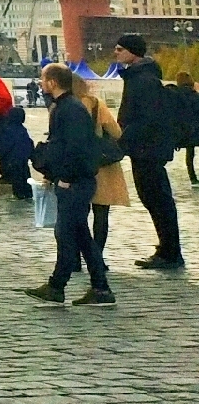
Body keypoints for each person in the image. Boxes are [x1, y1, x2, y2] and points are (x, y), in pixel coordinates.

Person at [22, 64, 113, 306]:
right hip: (75, 180)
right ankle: (100, 288)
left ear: (53, 82)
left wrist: (66, 177)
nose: (41, 83)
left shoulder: (69, 109)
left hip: (75, 182)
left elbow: (74, 147)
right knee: (81, 236)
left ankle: (57, 286)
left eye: (43, 79)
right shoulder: (67, 106)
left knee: (65, 234)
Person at [111, 33, 184, 270]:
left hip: (148, 149)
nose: (116, 52)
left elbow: (146, 119)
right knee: (154, 199)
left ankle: (170, 253)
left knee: (157, 200)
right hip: (144, 149)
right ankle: (167, 249)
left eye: (120, 49)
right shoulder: (139, 76)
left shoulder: (143, 79)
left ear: (132, 52)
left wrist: (123, 139)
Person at [74, 75, 130, 266]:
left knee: (76, 215)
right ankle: (96, 257)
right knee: (101, 214)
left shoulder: (63, 106)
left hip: (76, 165)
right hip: (101, 166)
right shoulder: (97, 104)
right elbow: (116, 132)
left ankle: (75, 258)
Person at [175, 70, 199, 187]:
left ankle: (192, 178)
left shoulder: (175, 95)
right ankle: (194, 179)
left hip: (182, 132)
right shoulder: (196, 96)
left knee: (190, 153)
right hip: (196, 130)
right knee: (191, 151)